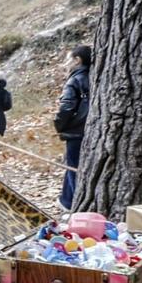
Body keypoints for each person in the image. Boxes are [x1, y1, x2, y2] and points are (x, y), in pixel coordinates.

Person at [53, 44, 92, 210]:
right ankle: (66, 201)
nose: (66, 64)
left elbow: (66, 107)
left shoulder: (75, 79)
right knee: (73, 166)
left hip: (76, 131)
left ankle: (76, 207)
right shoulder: (96, 76)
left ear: (77, 60)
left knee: (73, 167)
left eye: (69, 59)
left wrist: (59, 125)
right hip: (90, 129)